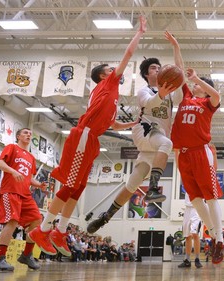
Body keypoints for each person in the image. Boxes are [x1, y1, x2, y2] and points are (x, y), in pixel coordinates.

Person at [28, 16, 147, 256]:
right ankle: (42, 230)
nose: (116, 71)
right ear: (104, 76)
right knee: (70, 185)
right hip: (83, 135)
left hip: (92, 140)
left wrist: (134, 122)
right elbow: (127, 55)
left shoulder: (111, 95)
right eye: (110, 70)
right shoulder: (108, 84)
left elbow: (112, 123)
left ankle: (60, 232)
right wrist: (140, 33)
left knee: (79, 188)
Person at [86, 55, 181, 233]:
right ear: (146, 74)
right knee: (167, 144)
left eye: (160, 67)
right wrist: (162, 93)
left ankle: (105, 217)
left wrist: (177, 51)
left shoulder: (171, 94)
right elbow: (150, 103)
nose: (158, 69)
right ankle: (153, 188)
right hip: (145, 131)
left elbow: (181, 87)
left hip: (153, 145)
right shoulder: (144, 91)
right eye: (154, 68)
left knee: (131, 185)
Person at [165, 30, 224, 265]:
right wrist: (176, 46)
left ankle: (219, 239)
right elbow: (179, 71)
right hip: (183, 154)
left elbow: (217, 94)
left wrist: (199, 79)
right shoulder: (187, 97)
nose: (195, 86)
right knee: (195, 198)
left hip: (201, 152)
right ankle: (212, 232)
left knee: (210, 197)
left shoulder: (208, 103)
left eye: (200, 85)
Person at [0, 128, 47, 271]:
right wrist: (13, 171)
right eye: (25, 133)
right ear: (18, 136)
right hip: (11, 191)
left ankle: (26, 254)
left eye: (30, 133)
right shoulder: (12, 147)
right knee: (12, 222)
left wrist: (39, 185)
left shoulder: (31, 157)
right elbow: (0, 164)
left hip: (25, 195)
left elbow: (29, 178)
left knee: (37, 220)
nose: (29, 134)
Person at [178, 193, 203, 268]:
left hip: (196, 209)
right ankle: (187, 260)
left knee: (195, 234)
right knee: (187, 236)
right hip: (187, 209)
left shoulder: (200, 182)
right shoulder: (187, 183)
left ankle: (197, 259)